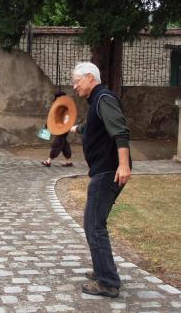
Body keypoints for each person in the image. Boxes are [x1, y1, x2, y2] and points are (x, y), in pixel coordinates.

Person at [70, 62, 131, 298]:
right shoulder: (97, 101)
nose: (74, 86)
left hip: (109, 170)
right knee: (95, 223)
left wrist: (123, 164)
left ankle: (108, 282)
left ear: (89, 77)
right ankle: (102, 270)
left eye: (77, 81)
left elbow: (120, 131)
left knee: (94, 225)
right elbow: (93, 127)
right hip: (105, 169)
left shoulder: (103, 98)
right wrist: (73, 128)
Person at [41, 91, 73, 167]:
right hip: (60, 127)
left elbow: (67, 115)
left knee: (57, 143)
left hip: (64, 127)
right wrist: (47, 125)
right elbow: (52, 116)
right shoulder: (58, 104)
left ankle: (49, 161)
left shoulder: (64, 105)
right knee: (64, 144)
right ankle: (69, 161)